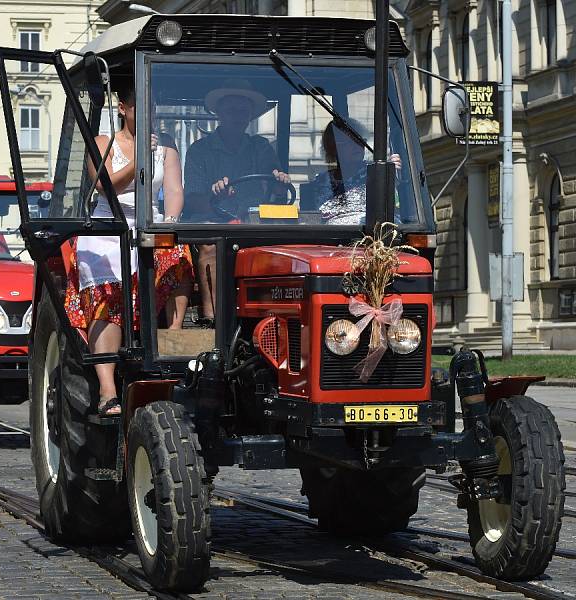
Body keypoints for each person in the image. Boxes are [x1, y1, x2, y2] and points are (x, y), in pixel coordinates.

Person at [64, 83, 193, 416]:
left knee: (177, 254)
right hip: (110, 224)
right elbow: (106, 187)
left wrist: (170, 219)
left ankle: (172, 339)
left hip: (148, 224)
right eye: (140, 107)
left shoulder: (166, 146)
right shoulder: (103, 144)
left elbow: (174, 189)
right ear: (123, 108)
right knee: (108, 290)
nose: (148, 115)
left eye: (153, 108)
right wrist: (138, 160)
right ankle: (107, 388)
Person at [183, 79, 290, 321]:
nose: (238, 116)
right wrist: (214, 198)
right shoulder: (200, 150)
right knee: (212, 245)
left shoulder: (261, 148)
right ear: (219, 113)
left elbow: (277, 193)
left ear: (251, 115)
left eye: (243, 111)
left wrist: (279, 184)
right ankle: (214, 319)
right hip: (213, 222)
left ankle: (273, 316)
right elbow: (192, 201)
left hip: (254, 223)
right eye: (231, 110)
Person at [313, 120, 402, 225]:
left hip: (370, 236)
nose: (358, 146)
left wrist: (393, 172)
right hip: (328, 238)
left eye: (360, 141)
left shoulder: (377, 172)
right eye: (350, 141)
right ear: (334, 147)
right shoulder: (320, 182)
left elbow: (395, 205)